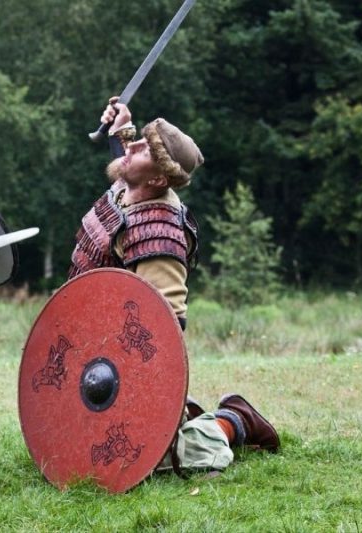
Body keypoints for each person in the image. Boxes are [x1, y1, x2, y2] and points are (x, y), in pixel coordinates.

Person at [69, 98, 280, 475]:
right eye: (139, 140)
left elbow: (164, 330)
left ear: (158, 179)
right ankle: (187, 416)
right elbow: (127, 163)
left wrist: (138, 399)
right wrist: (123, 128)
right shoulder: (131, 188)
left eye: (143, 148)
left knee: (158, 459)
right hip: (94, 352)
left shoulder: (159, 234)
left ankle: (232, 420)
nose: (131, 148)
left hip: (126, 365)